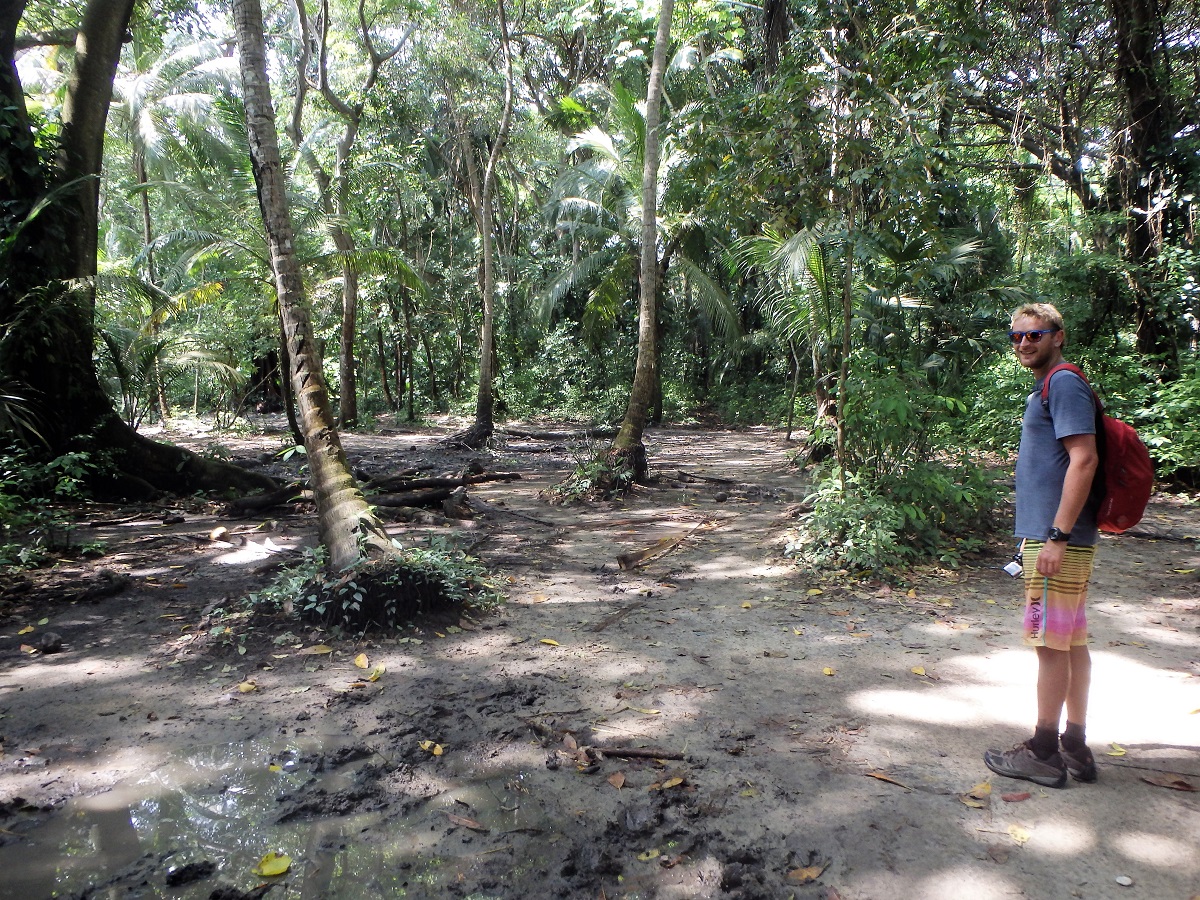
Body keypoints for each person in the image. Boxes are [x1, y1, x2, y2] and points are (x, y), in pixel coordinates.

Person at [984, 303, 1101, 788]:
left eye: (1035, 334)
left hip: (1057, 543)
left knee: (1048, 643)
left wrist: (1056, 536)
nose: (1024, 343)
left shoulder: (1064, 383)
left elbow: (1085, 459)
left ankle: (1043, 752)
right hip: (1058, 541)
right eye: (1016, 336)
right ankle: (1074, 747)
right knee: (1070, 642)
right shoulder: (1052, 385)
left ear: (1058, 336)